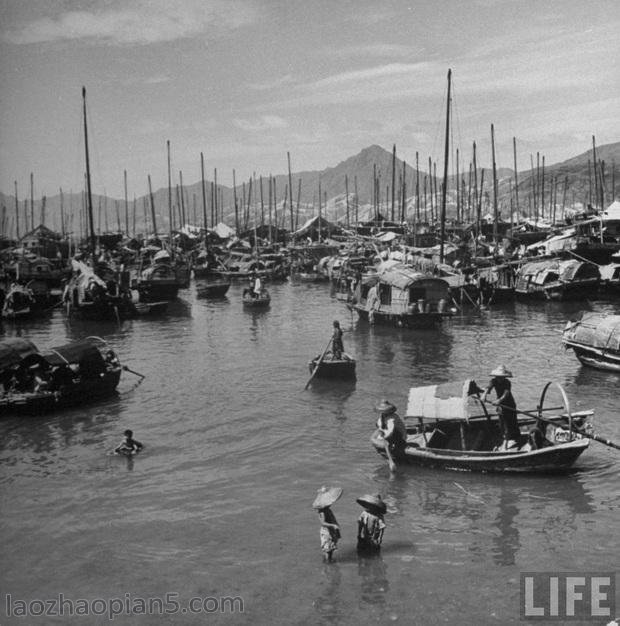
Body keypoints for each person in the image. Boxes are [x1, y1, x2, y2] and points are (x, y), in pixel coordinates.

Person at [481, 365, 521, 450]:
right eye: (498, 377)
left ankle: (509, 441)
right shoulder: (493, 381)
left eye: (501, 377)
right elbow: (488, 388)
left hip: (509, 404)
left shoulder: (507, 382)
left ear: (504, 377)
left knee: (511, 422)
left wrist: (499, 400)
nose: (500, 379)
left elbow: (506, 394)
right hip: (500, 406)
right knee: (502, 423)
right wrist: (484, 395)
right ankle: (505, 438)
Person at [312, 486, 342, 563]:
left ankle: (328, 560)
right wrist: (333, 525)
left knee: (331, 547)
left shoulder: (327, 510)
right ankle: (328, 563)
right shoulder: (322, 512)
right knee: (328, 549)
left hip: (331, 531)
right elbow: (323, 523)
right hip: (326, 532)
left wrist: (336, 529)